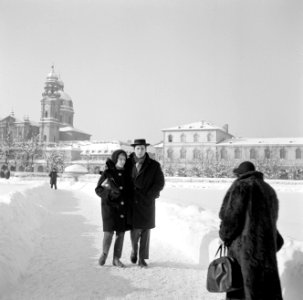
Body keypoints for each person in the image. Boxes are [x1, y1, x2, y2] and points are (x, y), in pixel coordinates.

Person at [218, 161, 284, 300]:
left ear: (240, 174)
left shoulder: (240, 186)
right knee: (265, 290)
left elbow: (231, 218)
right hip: (265, 249)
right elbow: (271, 220)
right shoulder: (268, 189)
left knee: (241, 288)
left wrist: (225, 235)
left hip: (244, 251)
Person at [125, 139, 165, 267]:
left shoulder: (154, 165)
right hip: (132, 202)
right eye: (138, 148)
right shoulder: (127, 163)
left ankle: (142, 258)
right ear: (134, 149)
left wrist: (150, 195)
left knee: (146, 231)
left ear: (145, 149)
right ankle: (134, 250)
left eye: (142, 148)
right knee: (134, 230)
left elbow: (160, 182)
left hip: (146, 202)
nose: (140, 150)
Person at [95, 149, 131, 267]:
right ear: (115, 159)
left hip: (122, 208)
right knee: (109, 232)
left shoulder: (127, 173)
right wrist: (109, 194)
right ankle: (104, 254)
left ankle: (116, 259)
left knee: (120, 233)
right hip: (109, 207)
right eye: (120, 159)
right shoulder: (108, 173)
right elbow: (98, 189)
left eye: (124, 159)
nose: (122, 161)